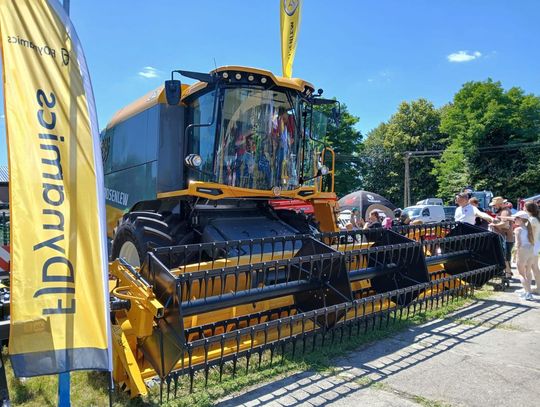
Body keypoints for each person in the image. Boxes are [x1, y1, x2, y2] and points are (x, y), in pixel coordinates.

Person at [489, 196, 514, 278]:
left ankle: (508, 274)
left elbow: (504, 224)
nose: (494, 207)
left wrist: (494, 224)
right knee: (505, 257)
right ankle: (507, 273)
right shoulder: (503, 211)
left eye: (494, 205)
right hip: (505, 238)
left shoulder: (504, 212)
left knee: (505, 257)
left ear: (499, 204)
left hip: (505, 238)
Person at [513, 211, 535, 300]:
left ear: (521, 220)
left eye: (516, 218)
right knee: (528, 272)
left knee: (521, 274)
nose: (514, 220)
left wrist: (514, 254)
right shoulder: (529, 229)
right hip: (531, 250)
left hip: (522, 251)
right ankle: (527, 291)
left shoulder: (518, 229)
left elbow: (518, 243)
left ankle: (528, 293)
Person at [524, 201, 540, 294]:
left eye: (524, 207)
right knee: (534, 267)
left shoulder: (532, 220)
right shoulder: (534, 218)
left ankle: (529, 289)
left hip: (532, 244)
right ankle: (537, 288)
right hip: (535, 244)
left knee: (530, 267)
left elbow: (530, 234)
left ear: (528, 209)